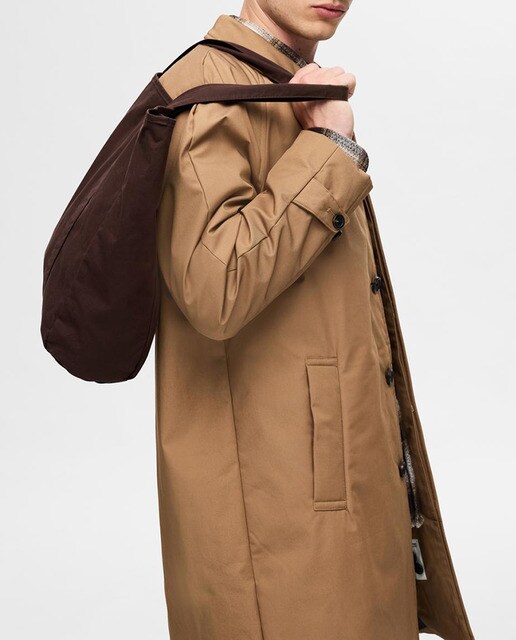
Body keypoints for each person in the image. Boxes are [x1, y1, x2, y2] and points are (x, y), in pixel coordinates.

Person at [154, 3, 475, 639]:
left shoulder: (277, 82)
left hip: (333, 488)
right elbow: (215, 285)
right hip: (279, 518)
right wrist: (331, 148)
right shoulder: (212, 91)